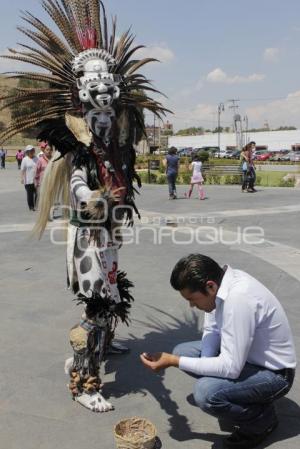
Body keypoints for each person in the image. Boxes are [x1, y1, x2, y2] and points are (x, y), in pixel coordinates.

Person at [0, 0, 168, 413]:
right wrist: (91, 197)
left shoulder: (119, 135)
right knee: (96, 301)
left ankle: (105, 345)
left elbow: (122, 171)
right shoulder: (78, 137)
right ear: (79, 90)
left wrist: (119, 197)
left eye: (109, 81)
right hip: (89, 232)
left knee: (111, 289)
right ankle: (81, 379)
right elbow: (77, 178)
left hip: (109, 229)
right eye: (95, 83)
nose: (104, 90)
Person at [141, 254, 296, 449]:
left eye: (192, 299)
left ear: (210, 286)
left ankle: (261, 420)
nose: (191, 305)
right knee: (184, 352)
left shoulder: (239, 298)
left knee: (205, 393)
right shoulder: (222, 287)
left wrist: (173, 361)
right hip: (247, 360)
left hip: (275, 375)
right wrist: (205, 365)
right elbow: (212, 329)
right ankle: (245, 399)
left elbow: (230, 368)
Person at [20, 145, 38, 211]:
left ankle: (36, 205)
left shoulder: (37, 158)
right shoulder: (25, 159)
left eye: (33, 150)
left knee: (37, 194)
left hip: (36, 180)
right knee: (30, 195)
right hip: (28, 180)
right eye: (30, 150)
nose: (32, 151)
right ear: (27, 152)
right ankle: (31, 206)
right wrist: (22, 178)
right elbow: (22, 170)